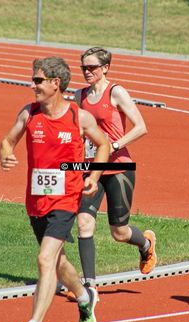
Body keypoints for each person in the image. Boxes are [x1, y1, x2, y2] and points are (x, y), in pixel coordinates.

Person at [0, 57, 110, 322]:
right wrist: (5, 154)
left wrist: (94, 177)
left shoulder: (78, 117)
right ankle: (85, 299)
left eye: (38, 80)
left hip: (66, 199)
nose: (32, 85)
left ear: (55, 83)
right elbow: (7, 140)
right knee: (58, 262)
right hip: (36, 200)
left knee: (45, 258)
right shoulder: (29, 113)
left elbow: (104, 145)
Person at [65, 47, 156, 301]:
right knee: (84, 222)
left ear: (105, 68)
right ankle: (89, 287)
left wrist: (113, 145)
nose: (87, 72)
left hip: (119, 168)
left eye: (92, 67)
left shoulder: (116, 92)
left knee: (119, 232)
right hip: (92, 168)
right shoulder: (78, 95)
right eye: (84, 67)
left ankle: (146, 244)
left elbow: (141, 127)